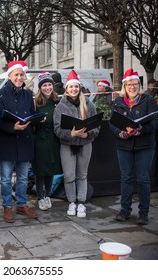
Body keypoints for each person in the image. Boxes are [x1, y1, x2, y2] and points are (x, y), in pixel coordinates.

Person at [110, 68, 158, 225]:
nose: (132, 87)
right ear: (125, 86)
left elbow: (155, 122)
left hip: (145, 145)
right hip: (124, 145)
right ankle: (125, 210)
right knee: (126, 178)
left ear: (140, 84)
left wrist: (141, 130)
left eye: (136, 84)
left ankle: (143, 212)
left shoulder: (148, 100)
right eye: (129, 84)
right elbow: (112, 123)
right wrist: (121, 133)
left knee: (144, 179)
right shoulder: (118, 102)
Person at [0, 60, 39, 223]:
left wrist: (36, 119)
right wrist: (13, 127)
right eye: (16, 75)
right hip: (8, 141)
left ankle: (21, 204)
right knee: (5, 178)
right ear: (10, 75)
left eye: (21, 75)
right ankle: (7, 206)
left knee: (23, 178)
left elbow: (32, 114)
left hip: (25, 141)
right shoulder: (0, 94)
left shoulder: (28, 95)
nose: (19, 78)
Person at [53, 70, 100, 218]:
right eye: (71, 87)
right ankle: (71, 201)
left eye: (76, 87)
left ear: (79, 88)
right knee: (69, 176)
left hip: (85, 144)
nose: (73, 89)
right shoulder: (60, 107)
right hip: (67, 145)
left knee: (82, 175)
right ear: (66, 89)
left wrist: (88, 134)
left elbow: (97, 127)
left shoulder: (89, 105)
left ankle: (81, 202)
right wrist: (71, 134)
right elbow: (57, 129)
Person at [33, 72, 62, 210]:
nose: (47, 88)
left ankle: (48, 195)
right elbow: (30, 122)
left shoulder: (57, 101)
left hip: (54, 139)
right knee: (41, 170)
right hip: (40, 139)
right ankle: (40, 197)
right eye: (44, 85)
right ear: (40, 87)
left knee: (51, 169)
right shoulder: (35, 102)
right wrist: (37, 122)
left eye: (49, 84)